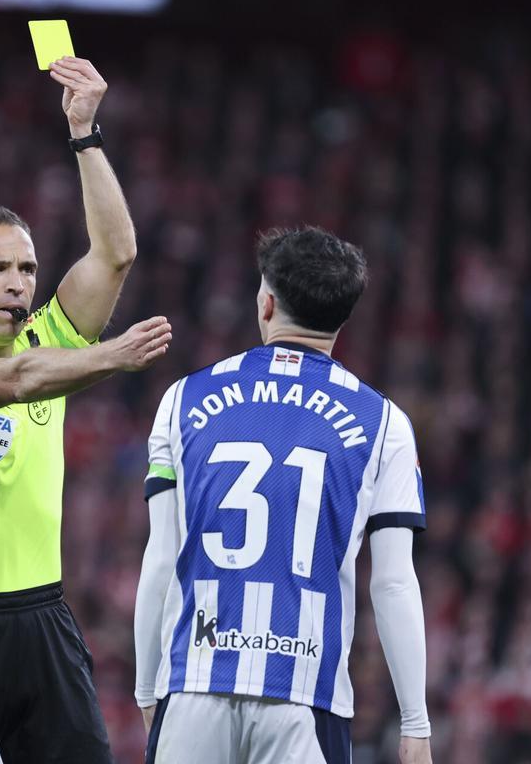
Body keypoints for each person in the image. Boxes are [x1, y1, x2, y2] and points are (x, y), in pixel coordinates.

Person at [0, 57, 171, 764]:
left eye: (25, 270)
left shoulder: (49, 336)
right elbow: (14, 381)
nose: (16, 284)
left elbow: (116, 253)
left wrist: (85, 135)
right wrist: (112, 357)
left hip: (42, 617)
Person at [134, 226, 434, 763]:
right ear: (342, 318)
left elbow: (160, 559)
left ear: (266, 303)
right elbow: (393, 583)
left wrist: (145, 688)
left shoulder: (183, 400)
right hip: (305, 696)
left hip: (194, 682)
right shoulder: (384, 424)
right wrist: (415, 722)